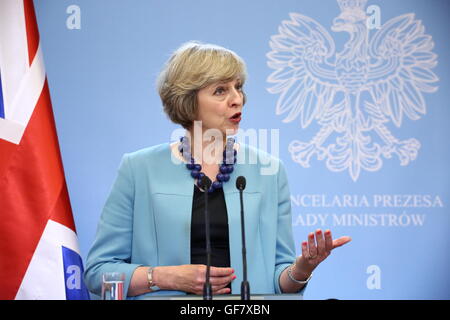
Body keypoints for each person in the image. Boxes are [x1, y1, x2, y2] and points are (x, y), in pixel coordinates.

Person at [84, 41, 351, 299]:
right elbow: (99, 277)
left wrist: (302, 268)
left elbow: (279, 282)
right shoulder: (138, 169)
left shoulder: (270, 171)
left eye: (238, 87)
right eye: (221, 90)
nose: (237, 99)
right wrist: (165, 277)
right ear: (188, 101)